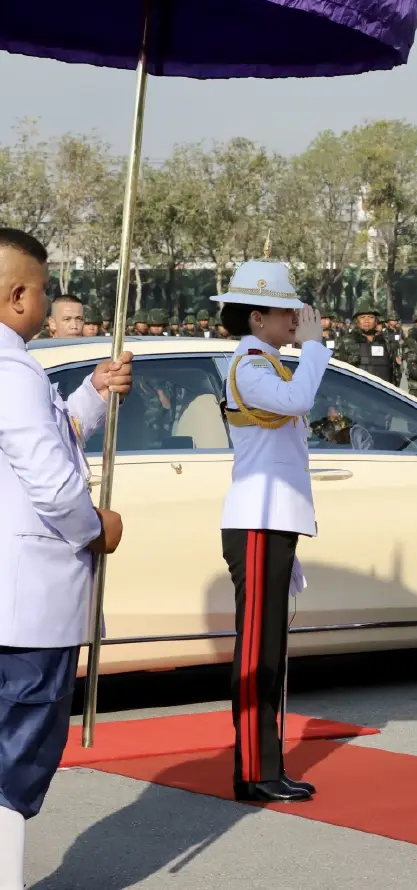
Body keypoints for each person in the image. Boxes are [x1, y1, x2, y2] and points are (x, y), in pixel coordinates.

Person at [0, 228, 130, 889]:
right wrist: (93, 527)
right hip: (24, 605)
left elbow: (51, 434)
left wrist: (94, 393)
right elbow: (51, 480)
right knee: (16, 754)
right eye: (45, 292)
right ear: (17, 293)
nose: (48, 306)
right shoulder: (11, 367)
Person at [213, 258, 331, 803]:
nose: (297, 319)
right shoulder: (252, 365)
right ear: (257, 318)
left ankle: (265, 764)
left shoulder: (269, 364)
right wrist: (314, 348)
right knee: (259, 649)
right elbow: (298, 402)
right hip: (258, 517)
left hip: (272, 518)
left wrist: (305, 351)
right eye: (286, 311)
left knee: (271, 647)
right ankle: (256, 770)